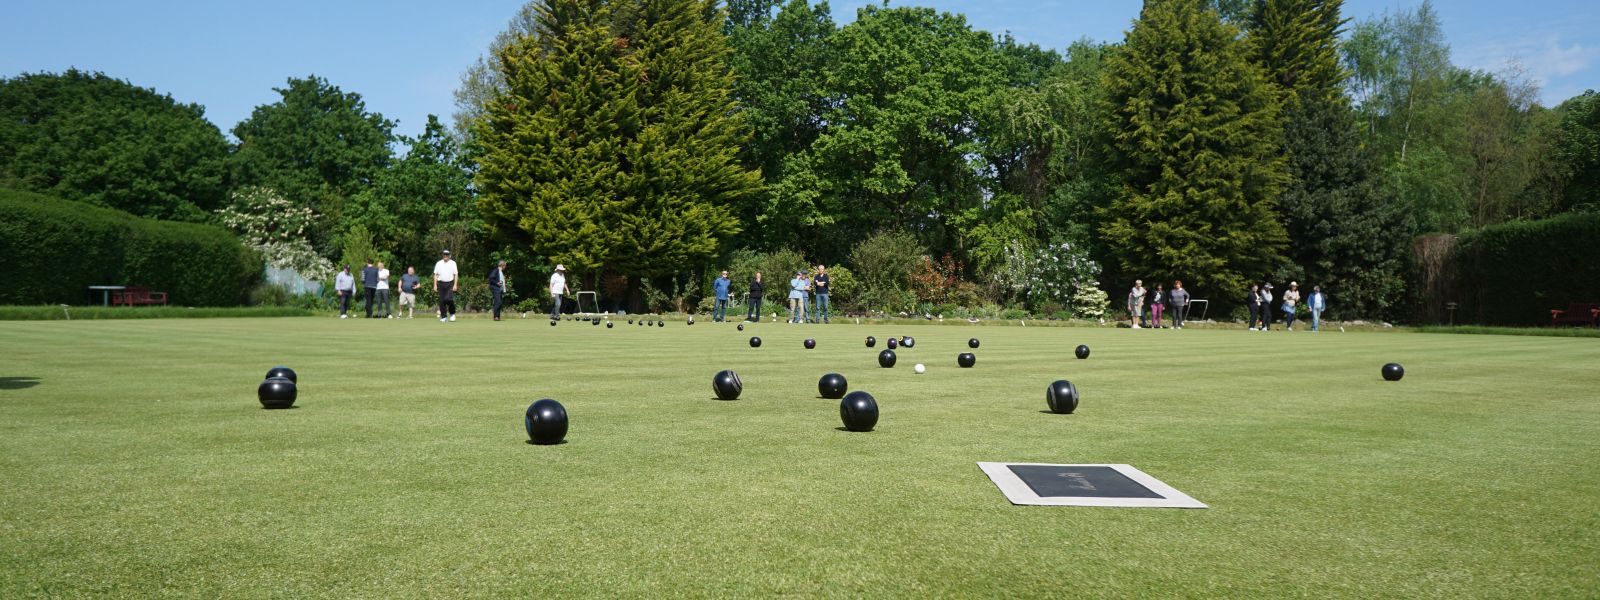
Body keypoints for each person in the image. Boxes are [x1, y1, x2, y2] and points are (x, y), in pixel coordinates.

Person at [433, 250, 459, 323]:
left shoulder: (453, 263)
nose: (445, 256)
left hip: (450, 283)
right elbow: (436, 274)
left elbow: (456, 274)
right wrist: (435, 285)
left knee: (449, 299)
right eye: (444, 254)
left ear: (449, 256)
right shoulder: (438, 263)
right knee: (442, 301)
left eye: (447, 255)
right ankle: (444, 317)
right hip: (441, 283)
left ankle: (452, 313)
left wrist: (455, 284)